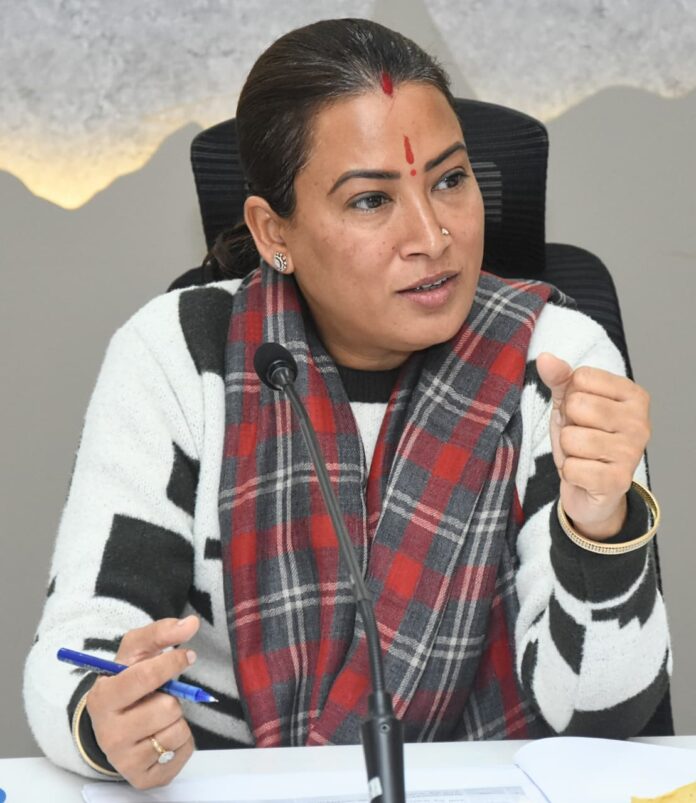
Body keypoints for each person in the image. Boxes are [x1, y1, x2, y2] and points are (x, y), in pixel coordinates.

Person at [24, 17, 670, 790]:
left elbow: (604, 719)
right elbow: (79, 647)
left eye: (450, 180)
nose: (432, 235)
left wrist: (600, 526)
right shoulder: (177, 352)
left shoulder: (556, 357)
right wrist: (102, 717)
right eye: (370, 200)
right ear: (274, 231)